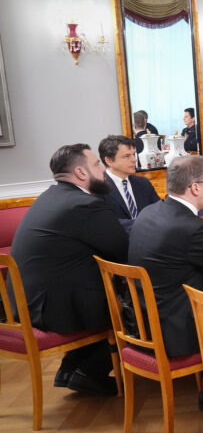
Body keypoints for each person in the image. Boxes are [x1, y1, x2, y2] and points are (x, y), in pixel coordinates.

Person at [9, 143, 128, 395]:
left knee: (100, 287)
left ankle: (70, 369)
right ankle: (89, 371)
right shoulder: (85, 204)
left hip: (25, 303)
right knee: (136, 305)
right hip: (54, 309)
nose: (103, 169)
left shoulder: (51, 196)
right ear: (81, 172)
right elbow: (124, 252)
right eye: (96, 164)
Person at [128, 156, 203, 363]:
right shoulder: (194, 229)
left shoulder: (149, 212)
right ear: (195, 188)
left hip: (143, 324)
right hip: (179, 333)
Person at [98, 134, 160, 226]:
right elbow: (106, 221)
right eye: (127, 156)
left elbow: (159, 211)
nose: (134, 160)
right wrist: (142, 225)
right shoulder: (98, 188)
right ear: (109, 160)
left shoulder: (143, 183)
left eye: (133, 155)